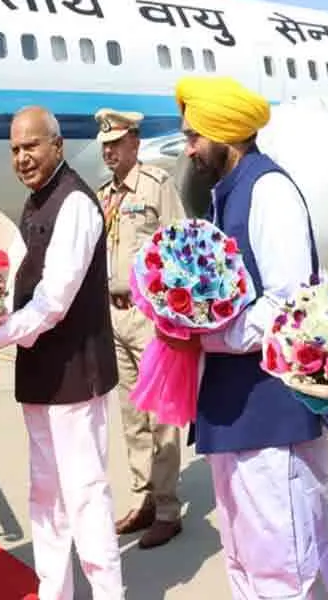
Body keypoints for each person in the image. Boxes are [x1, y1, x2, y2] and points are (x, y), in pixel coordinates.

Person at [169, 76, 328, 599]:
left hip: (271, 421)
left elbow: (287, 309)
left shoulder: (269, 191)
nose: (190, 148)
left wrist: (205, 335)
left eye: (195, 136)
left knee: (286, 571)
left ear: (225, 134)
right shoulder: (228, 194)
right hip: (232, 414)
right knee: (246, 565)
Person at [0, 107, 123, 600]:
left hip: (75, 376)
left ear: (57, 146)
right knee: (46, 496)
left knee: (85, 494)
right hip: (41, 377)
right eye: (14, 150)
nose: (22, 158)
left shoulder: (74, 204)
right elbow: (22, 290)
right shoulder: (36, 203)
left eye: (31, 147)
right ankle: (55, 591)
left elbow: (53, 301)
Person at [94, 108, 187, 549]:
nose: (109, 152)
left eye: (116, 143)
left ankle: (168, 508)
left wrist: (172, 309)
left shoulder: (156, 185)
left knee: (161, 414)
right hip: (115, 317)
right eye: (105, 145)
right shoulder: (103, 195)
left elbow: (180, 244)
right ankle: (145, 497)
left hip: (149, 315)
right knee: (131, 413)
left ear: (135, 141)